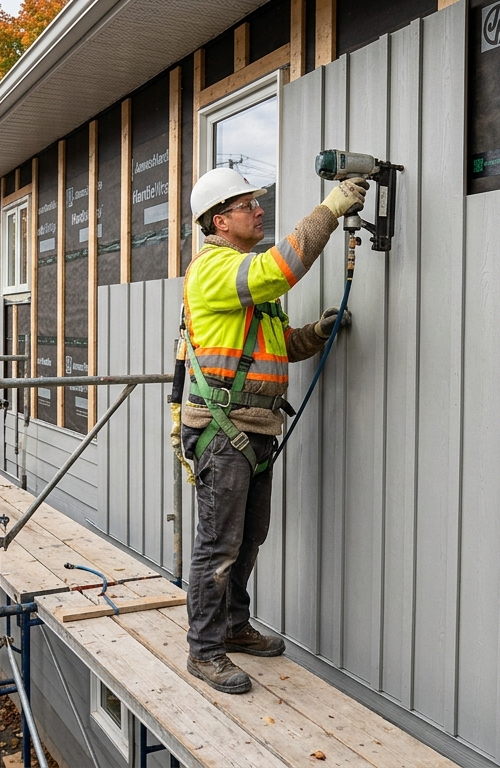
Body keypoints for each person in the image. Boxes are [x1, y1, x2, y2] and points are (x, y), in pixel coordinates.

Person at [175, 166, 367, 694]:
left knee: (248, 537)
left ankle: (233, 626)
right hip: (224, 430)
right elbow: (280, 269)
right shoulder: (214, 269)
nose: (259, 211)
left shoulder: (247, 283)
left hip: (254, 428)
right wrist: (330, 210)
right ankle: (204, 650)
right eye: (247, 205)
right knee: (219, 545)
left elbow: (281, 348)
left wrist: (317, 333)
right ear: (220, 220)